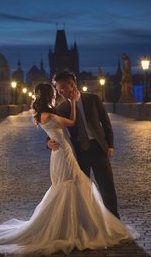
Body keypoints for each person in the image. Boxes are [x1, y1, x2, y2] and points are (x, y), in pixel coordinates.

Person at [0, 83, 137, 256]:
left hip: (64, 153)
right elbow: (70, 122)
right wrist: (72, 103)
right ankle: (72, 228)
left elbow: (56, 128)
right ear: (49, 95)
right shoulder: (52, 112)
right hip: (63, 153)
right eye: (54, 91)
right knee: (71, 185)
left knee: (72, 186)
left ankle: (74, 225)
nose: (57, 93)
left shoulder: (44, 113)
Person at [48, 70, 120, 218]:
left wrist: (110, 144)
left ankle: (114, 220)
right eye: (57, 89)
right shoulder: (62, 109)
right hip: (79, 152)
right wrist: (48, 142)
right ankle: (88, 220)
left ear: (72, 86)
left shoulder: (93, 99)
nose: (59, 92)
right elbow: (51, 128)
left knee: (107, 186)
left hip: (98, 148)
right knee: (82, 188)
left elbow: (106, 123)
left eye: (62, 88)